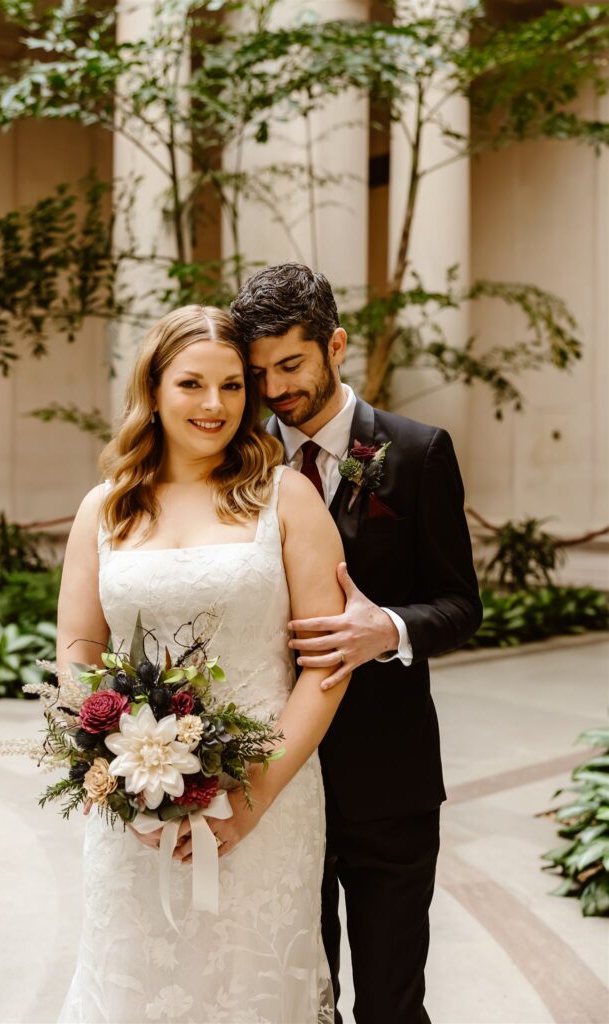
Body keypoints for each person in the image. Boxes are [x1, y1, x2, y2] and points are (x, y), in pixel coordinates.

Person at [56, 304, 348, 1024]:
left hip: (265, 798)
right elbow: (77, 655)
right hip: (132, 808)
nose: (214, 405)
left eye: (231, 386)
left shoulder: (288, 498)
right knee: (134, 979)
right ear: (153, 389)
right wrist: (115, 777)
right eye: (191, 384)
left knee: (247, 986)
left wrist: (251, 798)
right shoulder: (105, 509)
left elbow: (327, 666)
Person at [230, 263, 483, 1024]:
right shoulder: (238, 465)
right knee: (299, 998)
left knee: (388, 1001)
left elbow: (461, 605)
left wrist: (391, 629)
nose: (274, 390)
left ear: (335, 345)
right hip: (278, 779)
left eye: (291, 364)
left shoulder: (415, 451)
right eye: (259, 373)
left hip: (390, 783)